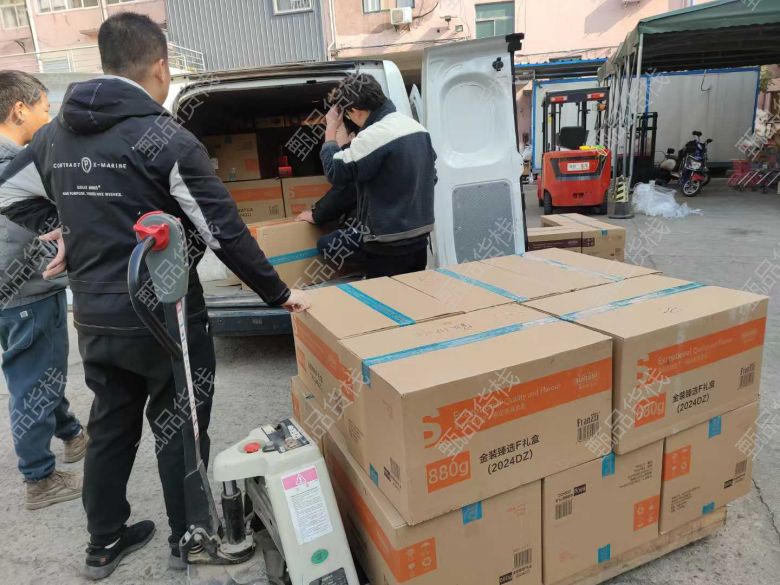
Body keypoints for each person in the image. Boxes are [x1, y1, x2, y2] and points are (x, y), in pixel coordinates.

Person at [0, 13, 309, 581]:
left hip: (95, 314)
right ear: (161, 66)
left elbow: (8, 193)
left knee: (111, 424)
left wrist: (64, 228)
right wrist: (278, 292)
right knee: (180, 426)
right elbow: (221, 230)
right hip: (166, 317)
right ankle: (190, 538)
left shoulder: (52, 136)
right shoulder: (166, 139)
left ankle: (103, 543)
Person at [0, 71, 87, 511]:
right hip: (27, 291)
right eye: (44, 109)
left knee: (40, 370)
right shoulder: (17, 165)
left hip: (12, 296)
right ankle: (39, 477)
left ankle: (71, 433)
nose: (48, 119)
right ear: (20, 110)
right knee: (33, 379)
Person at [319, 74, 437, 278]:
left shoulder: (375, 135)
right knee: (412, 292)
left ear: (355, 110)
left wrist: (330, 130)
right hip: (419, 239)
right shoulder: (416, 128)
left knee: (384, 297)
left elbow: (335, 171)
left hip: (387, 246)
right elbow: (432, 177)